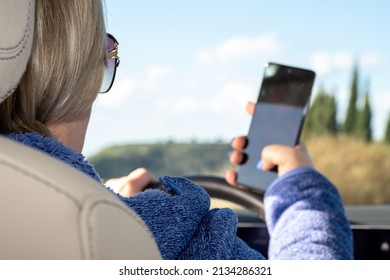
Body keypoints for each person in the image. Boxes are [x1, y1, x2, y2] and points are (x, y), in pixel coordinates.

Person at [0, 0, 353, 260]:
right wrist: (302, 193)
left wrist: (108, 204)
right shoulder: (170, 239)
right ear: (78, 69)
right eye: (104, 53)